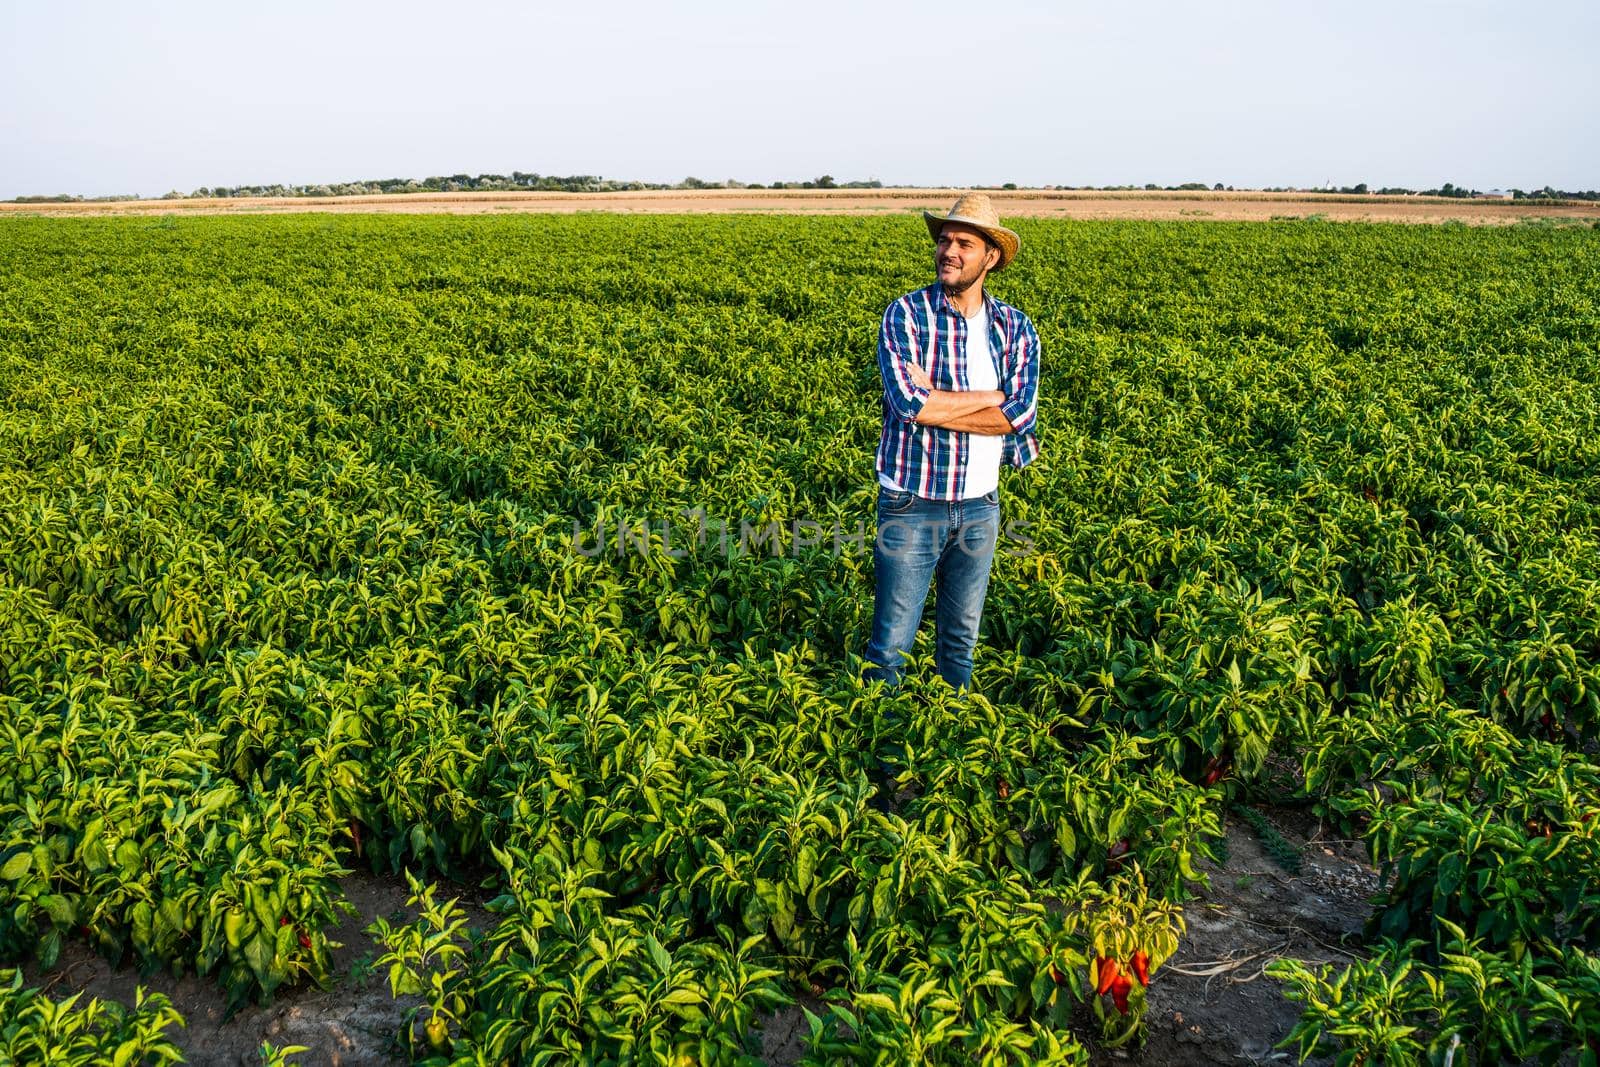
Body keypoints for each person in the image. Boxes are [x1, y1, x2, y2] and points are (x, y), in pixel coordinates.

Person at [863, 192, 1041, 693]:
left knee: (960, 639)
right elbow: (909, 405)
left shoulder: (1015, 327)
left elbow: (1021, 415)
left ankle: (952, 733)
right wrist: (991, 396)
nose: (949, 251)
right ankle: (884, 758)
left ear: (991, 257)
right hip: (912, 501)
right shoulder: (907, 315)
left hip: (981, 503)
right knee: (891, 643)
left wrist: (939, 400)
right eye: (944, 240)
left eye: (964, 242)